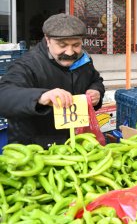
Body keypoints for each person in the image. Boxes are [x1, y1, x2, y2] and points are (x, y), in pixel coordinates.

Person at [0, 13, 105, 147]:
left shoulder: (84, 60)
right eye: (62, 45)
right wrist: (40, 97)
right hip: (35, 147)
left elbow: (95, 80)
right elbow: (3, 95)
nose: (70, 52)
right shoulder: (28, 64)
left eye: (76, 45)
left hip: (75, 142)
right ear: (47, 40)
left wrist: (96, 91)